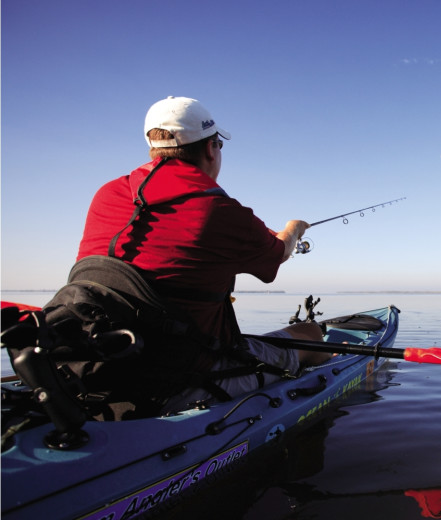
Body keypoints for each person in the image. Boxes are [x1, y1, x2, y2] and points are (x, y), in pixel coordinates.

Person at [76, 96, 330, 412]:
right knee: (311, 334)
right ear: (211, 148)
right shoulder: (216, 209)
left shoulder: (107, 194)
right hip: (181, 380)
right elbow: (277, 255)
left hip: (105, 364)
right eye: (219, 145)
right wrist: (293, 228)